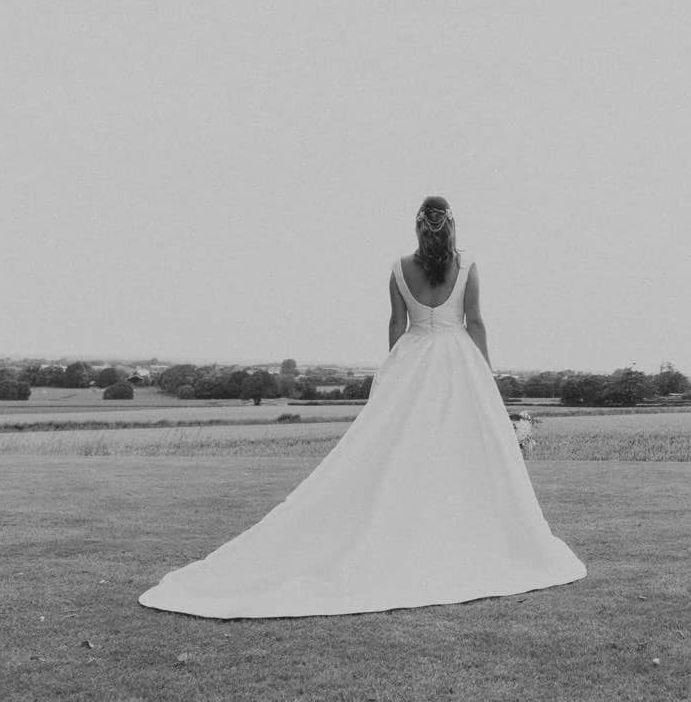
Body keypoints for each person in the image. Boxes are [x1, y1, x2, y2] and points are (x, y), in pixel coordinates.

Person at [138, 196, 587, 618]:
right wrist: (487, 380)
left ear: (418, 226)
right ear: (452, 227)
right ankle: (452, 538)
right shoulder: (467, 267)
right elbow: (476, 324)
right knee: (463, 453)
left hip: (413, 360)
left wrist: (395, 380)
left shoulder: (397, 268)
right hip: (459, 365)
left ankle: (410, 533)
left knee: (402, 453)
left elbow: (397, 326)